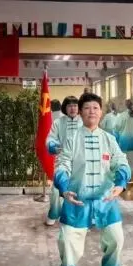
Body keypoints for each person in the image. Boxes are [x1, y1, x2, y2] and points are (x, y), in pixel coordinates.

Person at [54, 92, 130, 266]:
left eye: (95, 108)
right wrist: (64, 188)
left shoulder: (109, 139)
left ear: (101, 112)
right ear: (80, 112)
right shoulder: (72, 139)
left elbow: (121, 162)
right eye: (87, 108)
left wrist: (120, 184)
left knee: (116, 237)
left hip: (105, 198)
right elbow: (62, 165)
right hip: (77, 197)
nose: (92, 111)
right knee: (67, 239)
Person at [45, 96, 81, 226]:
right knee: (56, 188)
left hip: (81, 161)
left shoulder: (84, 122)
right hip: (63, 159)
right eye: (70, 106)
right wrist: (53, 145)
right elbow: (50, 138)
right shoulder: (58, 123)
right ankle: (54, 213)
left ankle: (80, 216)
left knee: (81, 189)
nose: (73, 108)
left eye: (75, 105)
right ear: (65, 108)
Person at [118, 98, 133, 173]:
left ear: (126, 105)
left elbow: (117, 127)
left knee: (127, 162)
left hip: (126, 143)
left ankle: (129, 176)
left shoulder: (122, 115)